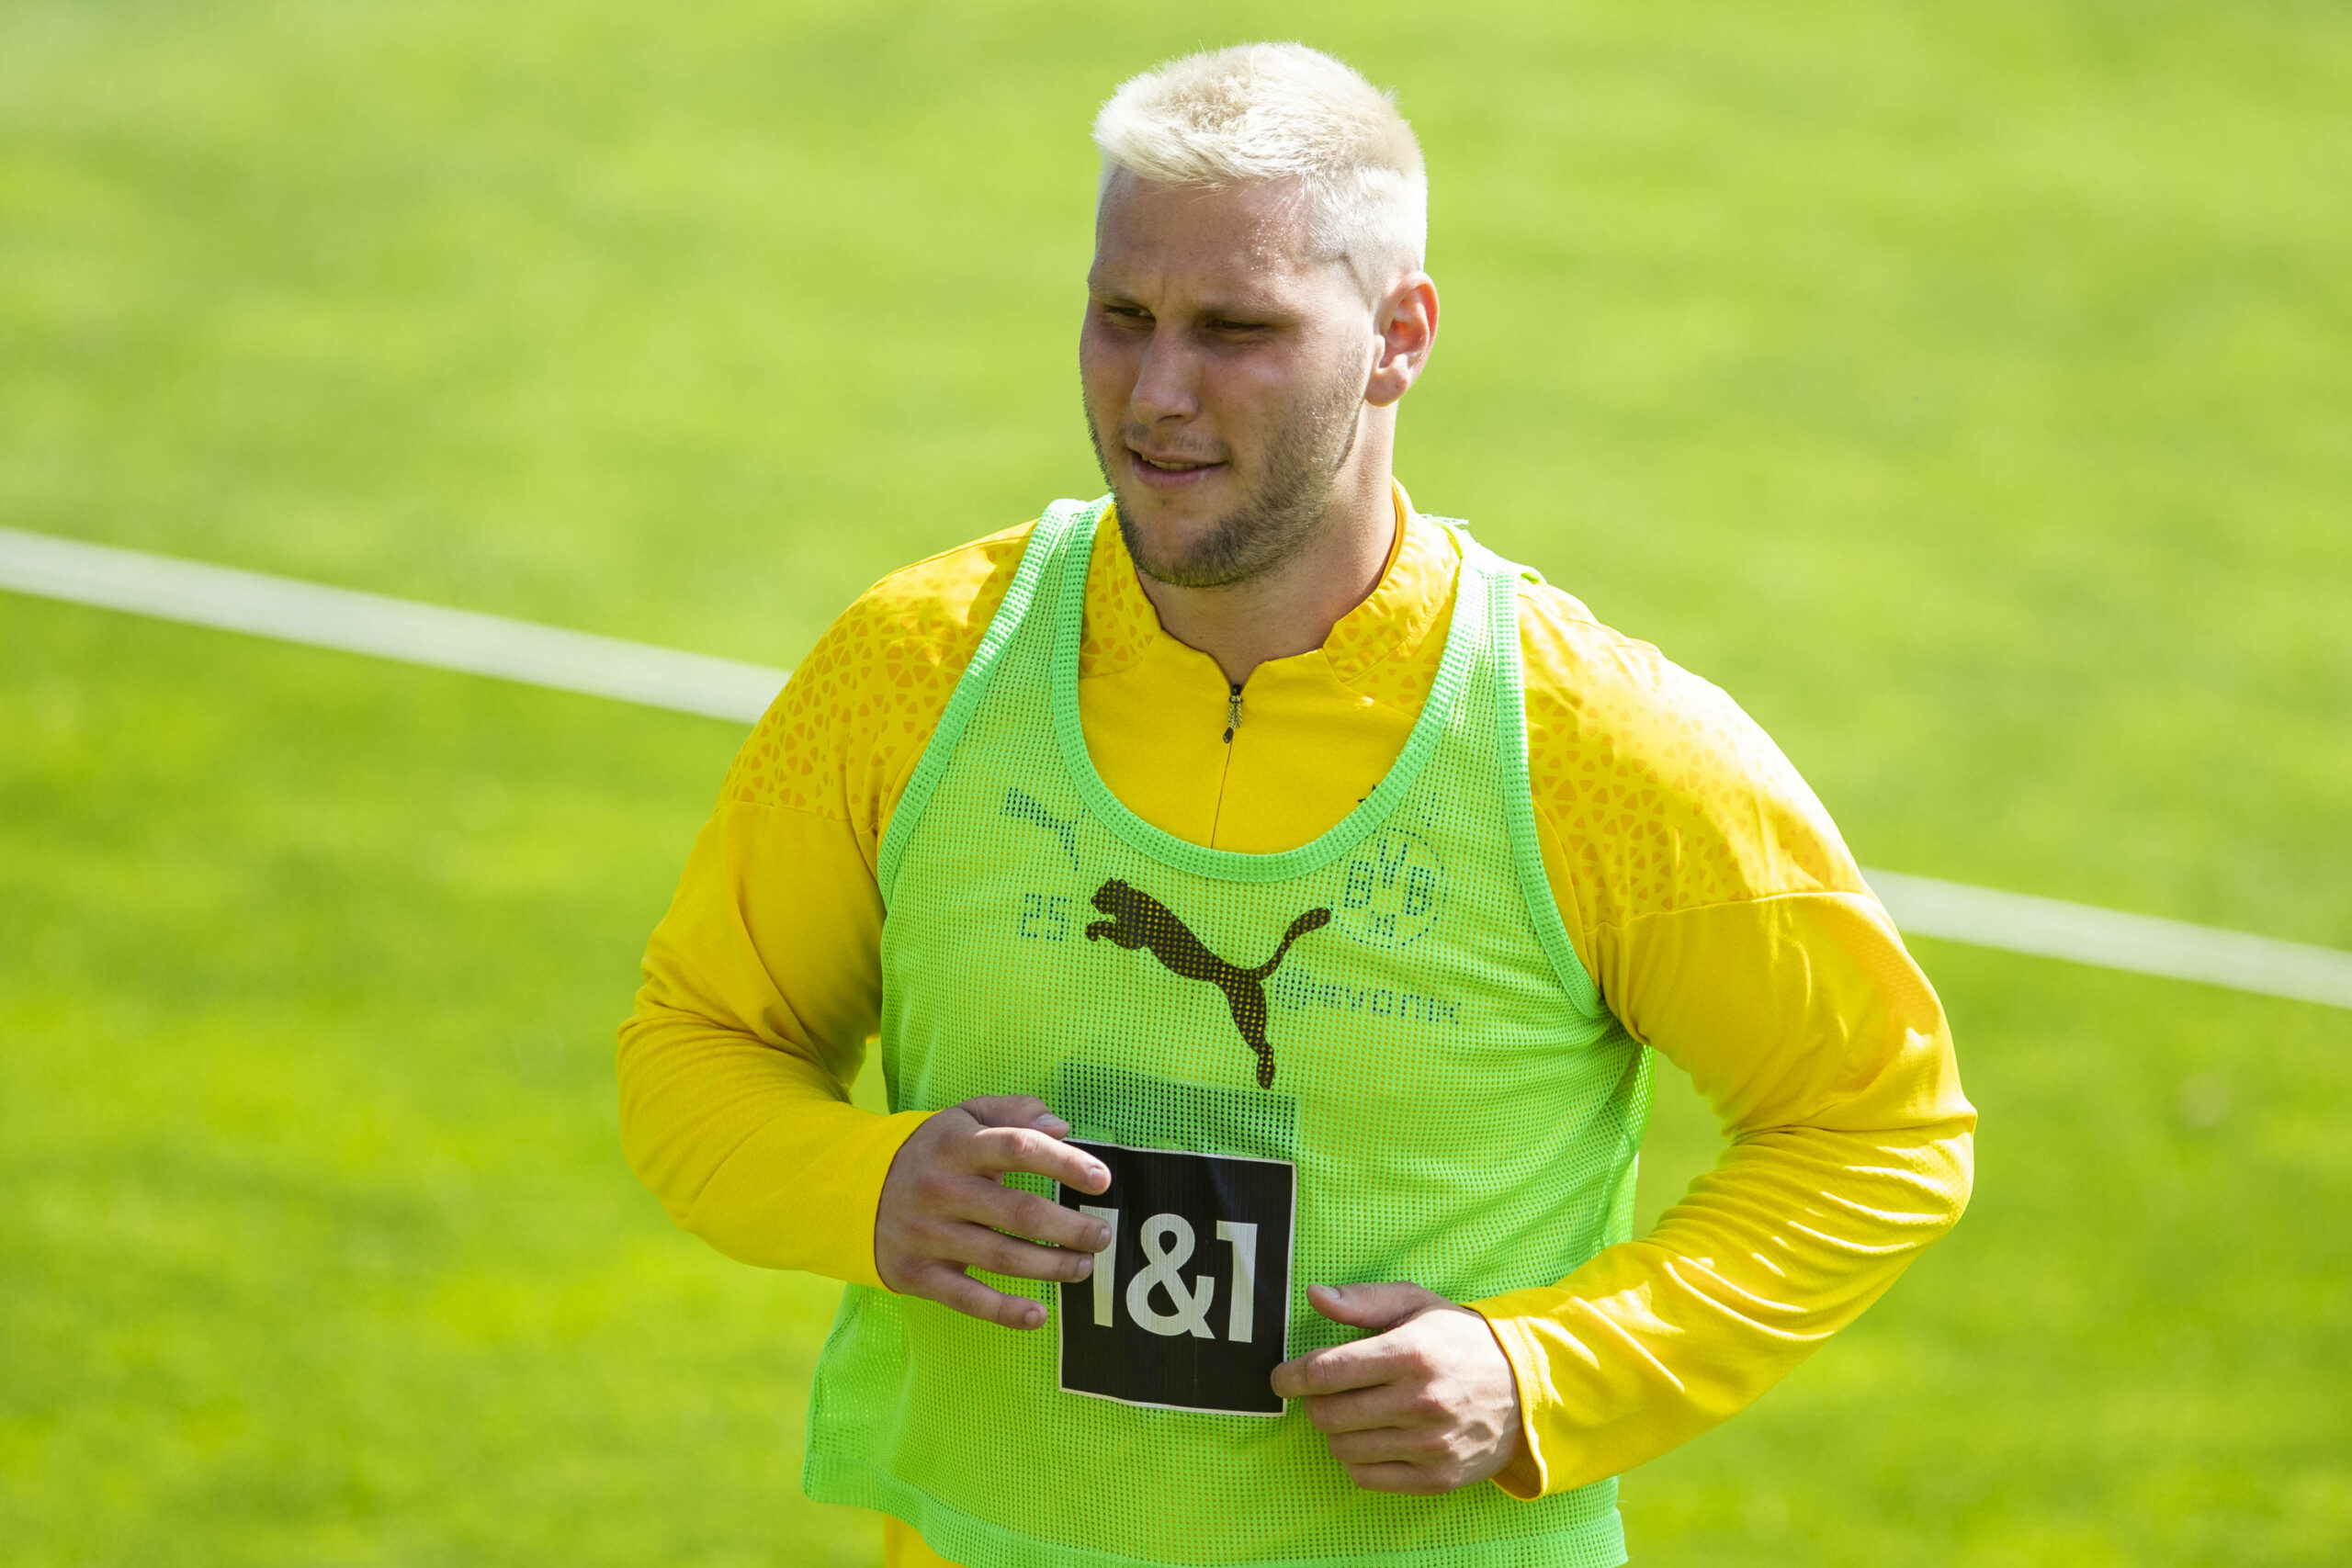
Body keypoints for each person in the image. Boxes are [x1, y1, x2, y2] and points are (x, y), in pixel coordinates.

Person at [617, 41, 1973, 1568]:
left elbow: (1876, 1130)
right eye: (1120, 316)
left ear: (1399, 337)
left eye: (1237, 329)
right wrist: (871, 1189)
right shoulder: (912, 670)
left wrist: (1543, 1372)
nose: (1159, 393)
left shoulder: (1600, 749)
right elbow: (696, 1048)